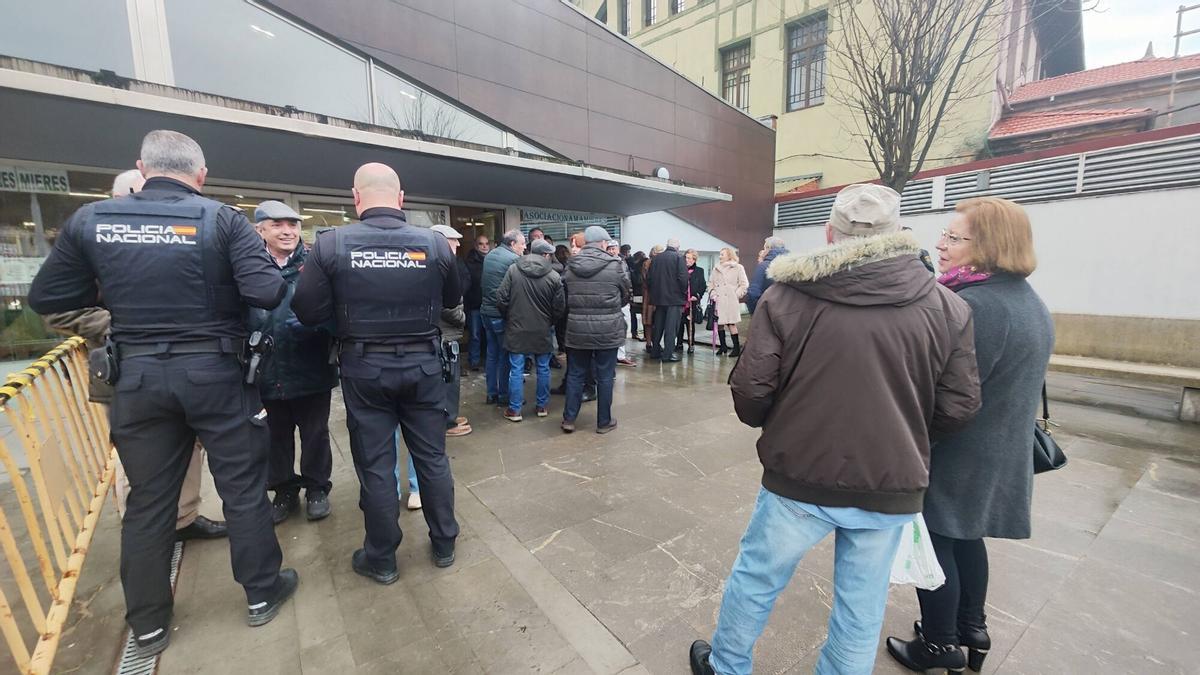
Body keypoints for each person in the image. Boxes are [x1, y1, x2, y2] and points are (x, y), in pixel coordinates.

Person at [688, 183, 982, 675]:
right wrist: (902, 434)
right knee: (860, 608)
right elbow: (959, 406)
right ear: (897, 235)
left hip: (798, 474)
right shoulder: (947, 307)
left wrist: (785, 423)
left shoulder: (785, 298)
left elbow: (751, 393)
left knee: (758, 578)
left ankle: (726, 667)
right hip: (889, 482)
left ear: (829, 233)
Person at [28, 130, 298, 657]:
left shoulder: (92, 221)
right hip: (216, 374)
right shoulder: (221, 220)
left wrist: (121, 319)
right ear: (200, 175)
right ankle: (262, 593)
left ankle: (149, 624)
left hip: (139, 378)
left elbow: (48, 297)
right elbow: (267, 290)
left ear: (142, 167)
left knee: (149, 500)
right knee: (242, 487)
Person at [886, 197, 1054, 673]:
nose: (940, 243)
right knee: (966, 539)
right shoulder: (1025, 300)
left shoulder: (973, 304)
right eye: (944, 233)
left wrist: (912, 446)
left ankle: (939, 645)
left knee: (934, 544)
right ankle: (970, 628)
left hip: (960, 452)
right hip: (998, 451)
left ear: (990, 246)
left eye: (955, 237)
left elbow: (950, 395)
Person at [292, 162, 463, 583]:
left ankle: (382, 558)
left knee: (375, 463)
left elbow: (306, 309)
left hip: (365, 368)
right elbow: (453, 297)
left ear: (355, 197)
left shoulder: (331, 244)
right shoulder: (434, 244)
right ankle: (444, 543)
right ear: (401, 199)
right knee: (432, 458)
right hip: (423, 364)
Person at [43, 169, 228, 542]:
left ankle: (185, 518)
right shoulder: (92, 241)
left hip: (181, 366)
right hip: (124, 369)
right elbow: (56, 308)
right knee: (142, 463)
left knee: (190, 446)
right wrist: (123, 322)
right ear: (123, 196)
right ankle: (147, 534)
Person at [251, 200, 338, 525]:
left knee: (315, 433)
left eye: (293, 224)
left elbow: (337, 311)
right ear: (261, 229)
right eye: (278, 224)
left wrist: (317, 324)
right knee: (275, 436)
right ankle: (284, 490)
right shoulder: (248, 266)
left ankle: (317, 488)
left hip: (310, 366)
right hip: (267, 370)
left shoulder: (316, 264)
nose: (287, 231)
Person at [397, 223, 472, 512]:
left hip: (419, 348)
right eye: (452, 242)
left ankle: (402, 490)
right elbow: (449, 306)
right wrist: (462, 317)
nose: (455, 247)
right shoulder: (436, 267)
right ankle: (446, 422)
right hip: (436, 343)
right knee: (429, 414)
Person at [561, 226, 630, 434]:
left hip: (577, 329)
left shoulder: (570, 266)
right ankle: (603, 422)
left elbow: (564, 296)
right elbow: (626, 293)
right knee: (605, 376)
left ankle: (569, 419)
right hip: (607, 330)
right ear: (602, 243)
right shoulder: (615, 265)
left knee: (575, 374)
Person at [496, 239, 566, 421]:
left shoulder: (513, 270)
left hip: (517, 328)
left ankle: (515, 410)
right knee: (543, 369)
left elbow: (501, 298)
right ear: (544, 255)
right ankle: (542, 406)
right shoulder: (554, 277)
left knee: (516, 370)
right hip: (542, 329)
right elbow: (559, 307)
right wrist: (549, 321)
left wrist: (510, 317)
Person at [480, 229, 527, 405]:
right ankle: (504, 395)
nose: (524, 247)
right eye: (522, 244)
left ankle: (491, 393)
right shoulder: (513, 260)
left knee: (492, 355)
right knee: (506, 356)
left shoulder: (490, 255)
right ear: (512, 244)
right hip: (500, 315)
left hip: (486, 312)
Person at [647, 238, 688, 362]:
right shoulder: (678, 258)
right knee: (671, 328)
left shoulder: (656, 258)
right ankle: (668, 354)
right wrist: (683, 292)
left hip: (659, 298)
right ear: (677, 247)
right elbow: (683, 278)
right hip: (674, 299)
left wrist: (655, 292)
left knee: (658, 325)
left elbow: (649, 278)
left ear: (667, 246)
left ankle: (655, 351)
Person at [707, 247, 749, 357]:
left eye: (722, 254)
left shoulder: (738, 267)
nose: (720, 256)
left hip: (730, 300)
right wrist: (712, 293)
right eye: (720, 254)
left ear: (729, 255)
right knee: (719, 324)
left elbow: (744, 284)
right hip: (718, 300)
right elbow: (710, 283)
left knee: (731, 323)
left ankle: (736, 348)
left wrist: (736, 295)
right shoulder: (716, 269)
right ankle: (723, 346)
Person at [464, 234, 490, 371]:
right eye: (481, 244)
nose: (485, 246)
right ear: (476, 246)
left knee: (488, 335)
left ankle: (487, 361)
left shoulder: (493, 260)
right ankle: (474, 362)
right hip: (474, 305)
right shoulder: (469, 262)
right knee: (474, 335)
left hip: (489, 304)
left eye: (486, 243)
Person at [745, 236, 789, 314]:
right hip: (789, 314)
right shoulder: (793, 265)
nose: (763, 251)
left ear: (769, 248)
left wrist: (755, 313)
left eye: (764, 248)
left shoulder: (763, 266)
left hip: (769, 313)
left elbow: (753, 294)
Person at [676, 249, 706, 354]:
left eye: (689, 258)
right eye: (686, 258)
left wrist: (697, 296)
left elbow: (702, 286)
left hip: (691, 302)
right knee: (679, 324)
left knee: (690, 324)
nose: (686, 260)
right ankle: (679, 343)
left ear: (694, 260)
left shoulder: (699, 271)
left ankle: (691, 344)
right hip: (681, 301)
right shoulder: (680, 270)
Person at [627, 250, 646, 340]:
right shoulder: (643, 267)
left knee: (633, 314)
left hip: (635, 293)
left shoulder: (632, 268)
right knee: (643, 313)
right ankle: (644, 333)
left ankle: (634, 332)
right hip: (642, 293)